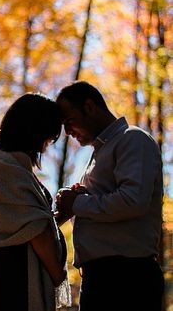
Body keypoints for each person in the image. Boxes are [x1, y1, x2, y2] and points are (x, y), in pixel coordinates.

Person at [55, 81, 165, 311]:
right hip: (101, 279)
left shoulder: (132, 139)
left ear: (89, 106)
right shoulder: (99, 152)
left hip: (127, 279)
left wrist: (78, 203)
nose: (67, 132)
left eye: (69, 121)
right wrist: (74, 204)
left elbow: (133, 200)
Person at [0, 93, 71, 311]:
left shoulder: (15, 168)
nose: (50, 141)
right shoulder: (7, 167)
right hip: (10, 284)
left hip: (11, 281)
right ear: (36, 129)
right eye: (50, 134)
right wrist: (59, 277)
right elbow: (38, 234)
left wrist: (64, 212)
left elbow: (29, 226)